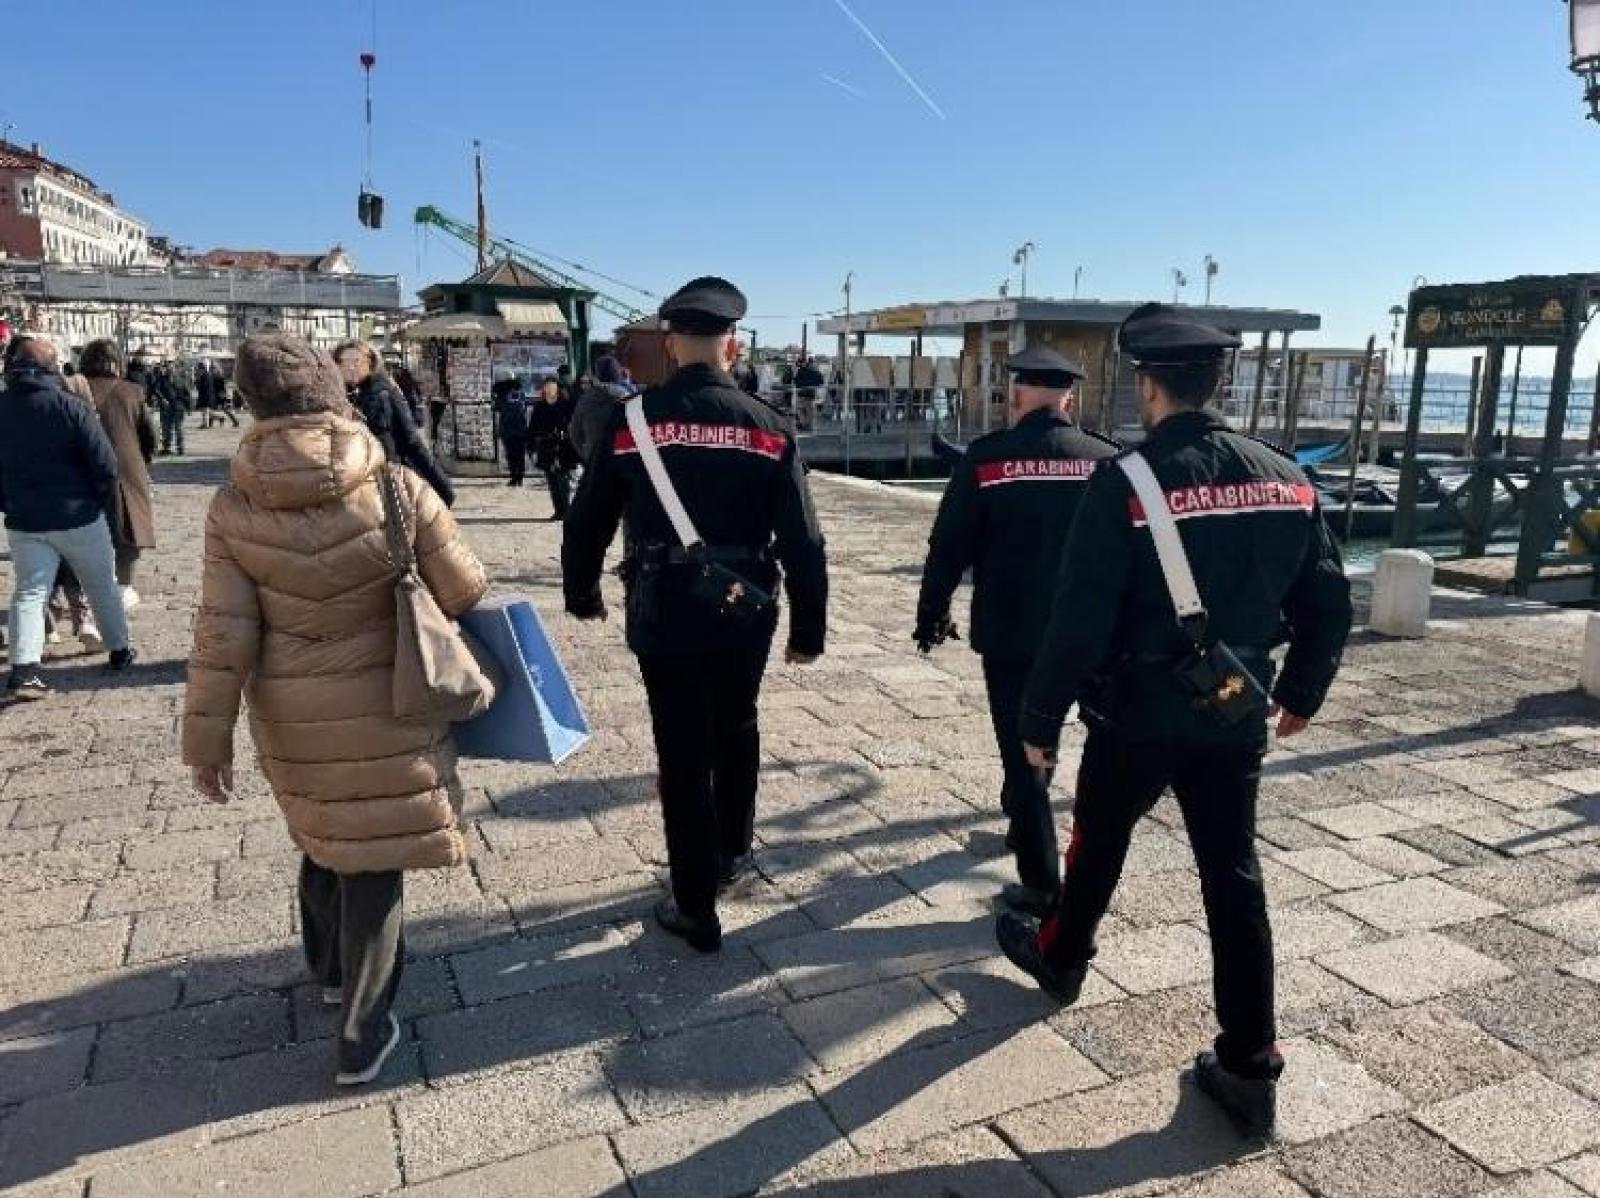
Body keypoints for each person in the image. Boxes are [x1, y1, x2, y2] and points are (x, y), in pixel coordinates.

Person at [994, 304, 1353, 1140]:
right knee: (1234, 875)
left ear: (1147, 385)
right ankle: (1250, 1062)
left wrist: (1039, 717)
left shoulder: (1126, 482)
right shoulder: (1286, 477)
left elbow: (1078, 619)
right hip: (1235, 709)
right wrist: (1302, 690)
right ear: (1217, 381)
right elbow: (1328, 599)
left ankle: (1062, 956)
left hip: (1137, 711)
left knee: (1098, 840)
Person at [183, 333, 488, 1086]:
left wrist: (207, 740)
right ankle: (362, 1033)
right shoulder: (397, 488)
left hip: (292, 708)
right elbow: (464, 590)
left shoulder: (233, 506)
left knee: (322, 827)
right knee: (375, 854)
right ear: (332, 393)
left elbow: (223, 632)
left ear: (253, 404)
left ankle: (327, 970)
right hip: (390, 697)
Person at [563, 276, 828, 953]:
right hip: (745, 607)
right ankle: (732, 849)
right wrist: (808, 629)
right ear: (731, 345)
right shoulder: (770, 426)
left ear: (672, 343)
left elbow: (588, 519)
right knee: (737, 722)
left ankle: (694, 904)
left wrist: (583, 593)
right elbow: (804, 539)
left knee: (681, 748)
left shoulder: (633, 421)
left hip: (665, 606)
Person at [913, 346, 1120, 916]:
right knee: (1064, 739)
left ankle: (1041, 881)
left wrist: (932, 614)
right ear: (1069, 397)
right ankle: (1025, 823)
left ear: (1019, 393)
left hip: (1011, 631)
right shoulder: (1107, 460)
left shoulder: (986, 459)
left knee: (1021, 746)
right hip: (1091, 634)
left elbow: (947, 546)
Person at [0, 336, 136, 701]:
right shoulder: (70, 406)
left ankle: (24, 669)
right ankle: (119, 649)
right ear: (52, 367)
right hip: (78, 515)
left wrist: (9, 502)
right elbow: (105, 464)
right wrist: (94, 501)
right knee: (101, 584)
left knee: (30, 591)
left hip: (26, 520)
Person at [79, 339, 158, 604]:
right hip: (125, 467)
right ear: (117, 363)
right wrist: (144, 460)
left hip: (81, 468)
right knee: (128, 530)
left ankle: (86, 589)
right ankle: (124, 586)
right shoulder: (132, 392)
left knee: (86, 532)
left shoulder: (73, 389)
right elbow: (149, 434)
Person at [333, 340, 456, 507]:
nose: (351, 367)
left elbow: (411, 440)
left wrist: (442, 487)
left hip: (385, 478)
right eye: (345, 361)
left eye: (357, 361)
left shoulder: (384, 393)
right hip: (352, 483)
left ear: (369, 363)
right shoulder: (335, 398)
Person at [568, 354, 637, 465]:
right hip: (624, 460)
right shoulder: (630, 398)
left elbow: (574, 432)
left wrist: (586, 454)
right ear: (618, 374)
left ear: (597, 376)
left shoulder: (586, 400)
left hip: (595, 459)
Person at [528, 377, 577, 520]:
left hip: (563, 447)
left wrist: (566, 435)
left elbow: (573, 425)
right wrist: (531, 445)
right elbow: (533, 427)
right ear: (544, 389)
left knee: (564, 481)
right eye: (547, 387)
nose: (550, 390)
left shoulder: (566, 405)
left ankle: (568, 511)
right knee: (552, 481)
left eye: (552, 387)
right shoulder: (540, 407)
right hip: (545, 446)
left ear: (557, 389)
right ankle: (558, 511)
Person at [492, 377, 532, 487]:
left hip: (507, 429)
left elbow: (496, 408)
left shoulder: (502, 395)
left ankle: (514, 477)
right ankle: (520, 477)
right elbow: (524, 409)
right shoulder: (521, 394)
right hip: (520, 429)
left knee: (511, 455)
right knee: (520, 454)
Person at [152, 359, 192, 455]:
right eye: (167, 367)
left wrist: (189, 407)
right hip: (166, 407)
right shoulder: (161, 379)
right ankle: (166, 447)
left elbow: (187, 393)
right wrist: (162, 399)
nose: (170, 368)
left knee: (179, 428)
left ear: (175, 368)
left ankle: (180, 448)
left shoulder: (181, 379)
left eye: (172, 366)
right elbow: (156, 390)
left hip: (178, 406)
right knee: (166, 429)